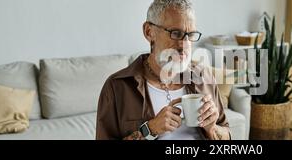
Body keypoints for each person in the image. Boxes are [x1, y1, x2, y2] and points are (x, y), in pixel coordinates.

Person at [96, 0, 230, 140]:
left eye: (190, 35)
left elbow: (226, 134)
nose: (184, 45)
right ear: (149, 32)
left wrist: (212, 128)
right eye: (176, 33)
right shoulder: (116, 87)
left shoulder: (204, 77)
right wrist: (150, 129)